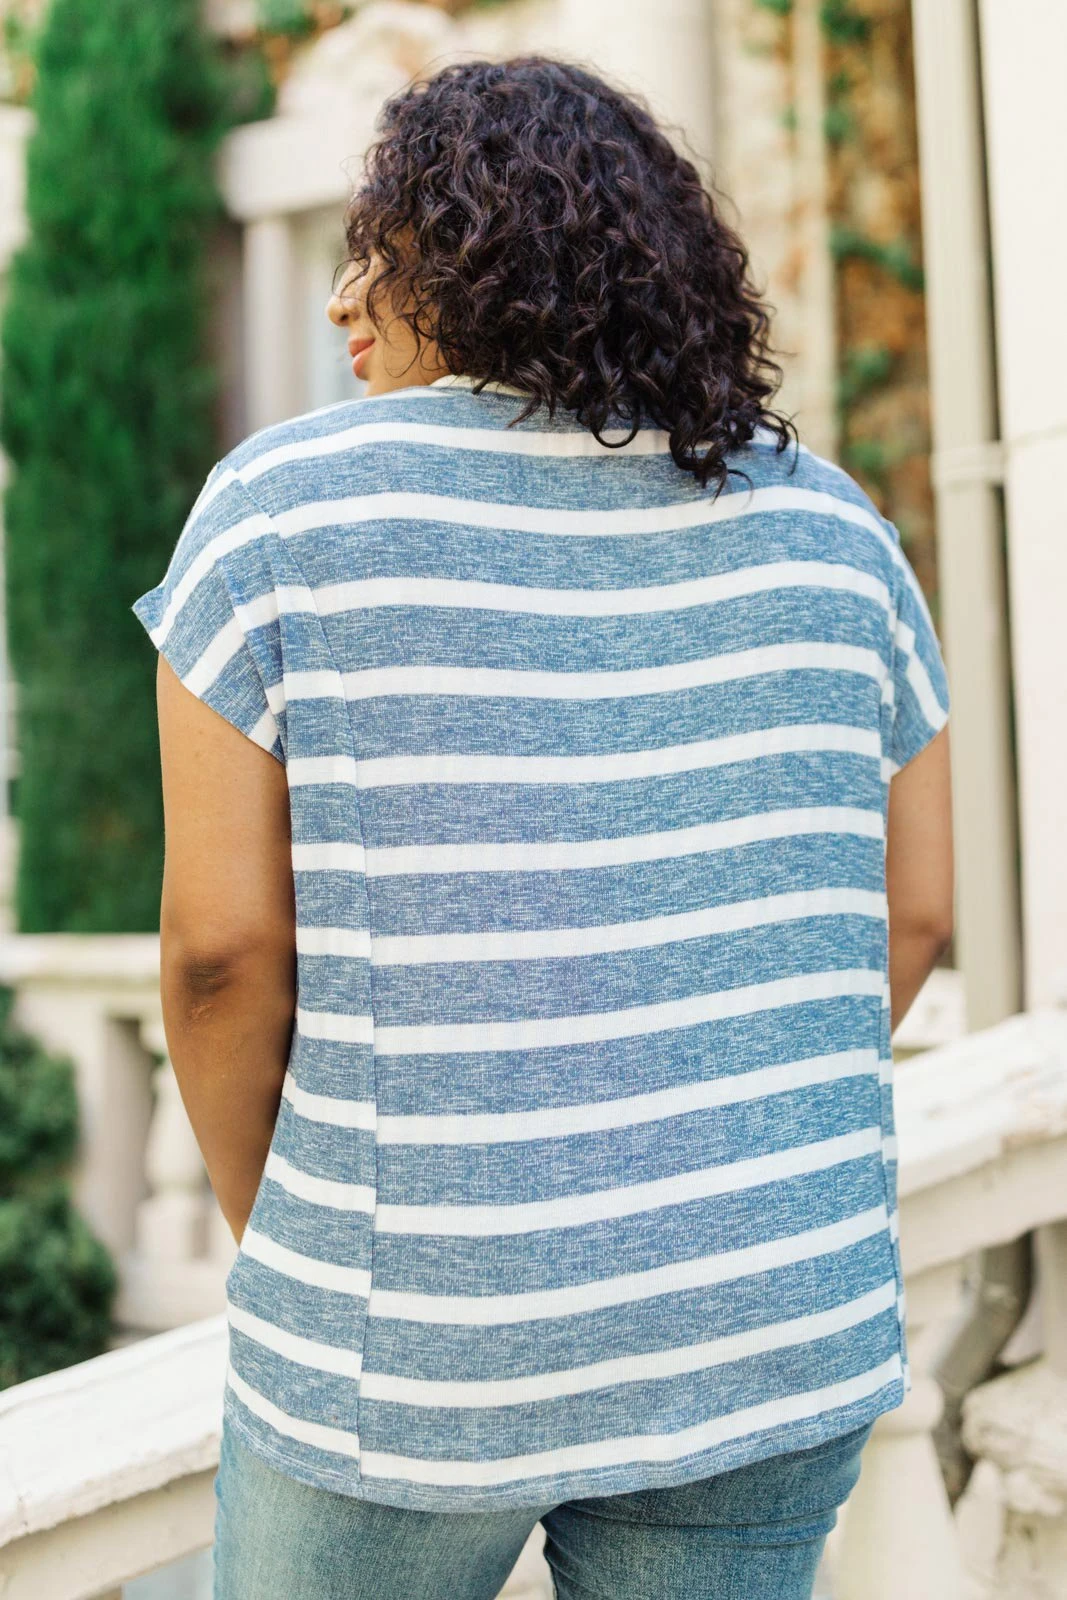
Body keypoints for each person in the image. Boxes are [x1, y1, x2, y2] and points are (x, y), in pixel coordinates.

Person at [132, 54, 954, 1600]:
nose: (341, 297)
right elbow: (909, 914)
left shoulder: (281, 510)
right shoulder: (835, 527)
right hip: (769, 1314)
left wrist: (289, 1228)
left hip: (412, 1326)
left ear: (473, 263)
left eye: (377, 249)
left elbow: (222, 956)